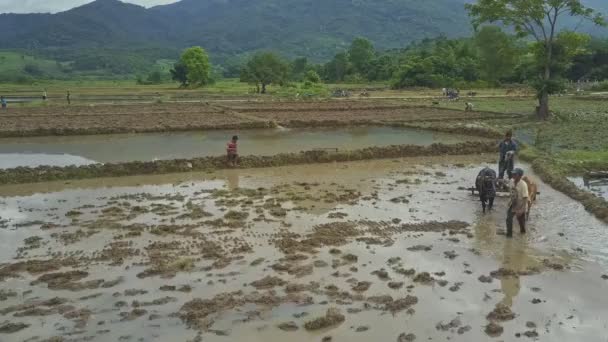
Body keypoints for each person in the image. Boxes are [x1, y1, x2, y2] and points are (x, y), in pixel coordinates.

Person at [506, 168, 528, 238]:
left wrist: (522, 210)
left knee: (521, 222)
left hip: (521, 204)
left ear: (520, 176)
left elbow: (525, 197)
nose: (513, 175)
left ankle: (523, 234)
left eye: (515, 174)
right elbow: (509, 188)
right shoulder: (511, 181)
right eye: (513, 174)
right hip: (512, 203)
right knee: (508, 219)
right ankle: (509, 236)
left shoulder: (523, 184)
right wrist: (503, 184)